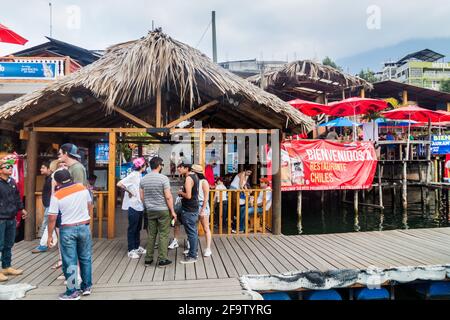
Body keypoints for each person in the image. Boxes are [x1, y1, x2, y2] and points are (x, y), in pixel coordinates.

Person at [47, 169, 92, 300]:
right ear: (70, 177)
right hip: (84, 226)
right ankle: (87, 286)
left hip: (68, 229)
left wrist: (50, 236)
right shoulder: (82, 188)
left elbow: (52, 218)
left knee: (69, 260)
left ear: (57, 181)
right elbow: (90, 204)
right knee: (85, 258)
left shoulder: (57, 195)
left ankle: (72, 291)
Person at [140, 157, 177, 267]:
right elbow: (168, 197)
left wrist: (148, 205)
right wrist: (173, 211)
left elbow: (142, 197)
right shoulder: (163, 178)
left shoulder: (144, 179)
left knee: (151, 235)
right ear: (160, 165)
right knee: (163, 235)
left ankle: (148, 259)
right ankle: (162, 260)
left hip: (150, 210)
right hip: (163, 210)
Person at [0, 156, 28, 282]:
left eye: (11, 166)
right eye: (7, 166)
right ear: (0, 170)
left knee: (9, 244)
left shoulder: (12, 181)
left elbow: (17, 197)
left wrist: (21, 209)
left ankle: (6, 266)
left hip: (11, 216)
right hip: (0, 218)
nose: (10, 168)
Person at [117, 157, 147, 259]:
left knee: (137, 228)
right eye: (145, 165)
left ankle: (137, 246)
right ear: (142, 166)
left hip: (139, 205)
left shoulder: (139, 175)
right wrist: (129, 192)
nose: (146, 166)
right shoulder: (133, 175)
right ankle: (131, 250)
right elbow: (119, 183)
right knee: (132, 228)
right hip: (133, 205)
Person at [177, 162, 199, 264]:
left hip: (189, 209)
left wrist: (181, 193)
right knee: (193, 232)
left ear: (186, 168)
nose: (178, 169)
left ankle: (192, 256)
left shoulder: (188, 178)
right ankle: (193, 251)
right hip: (193, 208)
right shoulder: (194, 176)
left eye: (180, 167)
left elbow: (188, 195)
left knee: (191, 233)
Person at [32, 161, 54, 253]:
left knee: (46, 224)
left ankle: (43, 245)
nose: (41, 169)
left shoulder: (52, 178)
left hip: (50, 205)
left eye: (43, 167)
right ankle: (45, 243)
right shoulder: (48, 178)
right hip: (48, 204)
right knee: (48, 224)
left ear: (49, 169)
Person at [191, 164, 212, 257]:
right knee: (193, 228)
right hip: (194, 205)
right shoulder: (193, 180)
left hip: (202, 205)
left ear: (195, 172)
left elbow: (206, 198)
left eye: (192, 171)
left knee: (206, 228)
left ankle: (208, 248)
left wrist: (203, 210)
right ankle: (192, 248)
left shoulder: (204, 182)